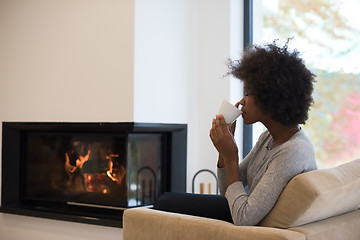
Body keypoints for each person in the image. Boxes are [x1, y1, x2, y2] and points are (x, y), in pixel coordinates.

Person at [155, 40, 317, 226]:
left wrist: (231, 157)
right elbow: (227, 193)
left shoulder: (293, 150)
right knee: (165, 200)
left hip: (252, 222)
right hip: (243, 212)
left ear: (270, 98)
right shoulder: (268, 138)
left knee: (165, 202)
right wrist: (224, 153)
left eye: (248, 93)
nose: (241, 101)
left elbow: (244, 217)